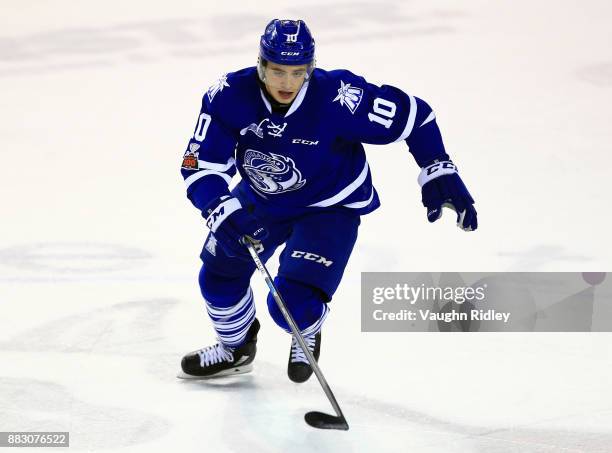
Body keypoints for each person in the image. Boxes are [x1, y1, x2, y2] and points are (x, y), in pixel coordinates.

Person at [178, 19, 477, 382]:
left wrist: (437, 167)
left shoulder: (341, 97)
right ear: (261, 65)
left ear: (311, 68)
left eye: (297, 72)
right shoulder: (227, 95)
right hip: (262, 195)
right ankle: (235, 349)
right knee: (217, 276)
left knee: (289, 306)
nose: (287, 82)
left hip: (329, 207)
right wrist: (218, 208)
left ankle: (306, 326)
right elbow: (199, 162)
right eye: (277, 71)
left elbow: (416, 116)